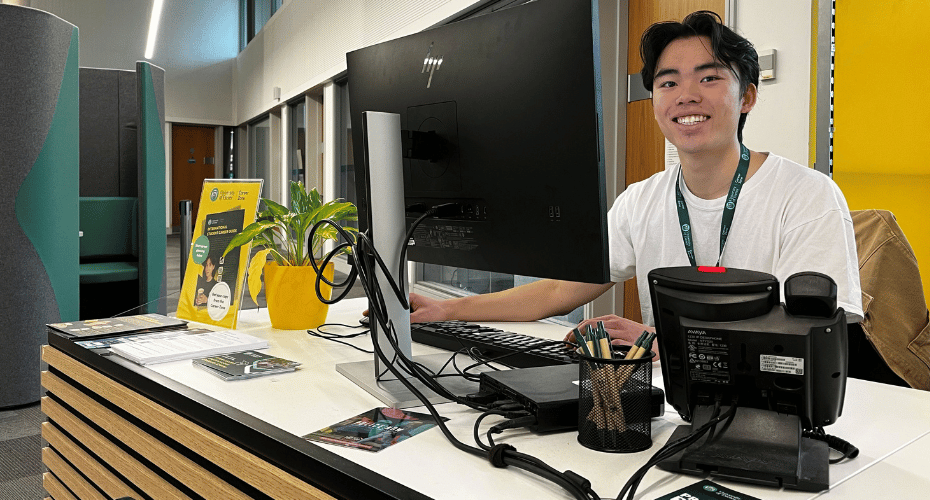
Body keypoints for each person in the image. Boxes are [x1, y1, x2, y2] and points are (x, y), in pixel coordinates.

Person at [403, 11, 863, 348]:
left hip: (768, 410)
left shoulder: (806, 195)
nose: (686, 95)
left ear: (747, 97)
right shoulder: (640, 201)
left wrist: (664, 342)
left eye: (709, 78)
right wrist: (449, 309)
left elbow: (810, 333)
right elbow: (561, 289)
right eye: (668, 83)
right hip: (663, 404)